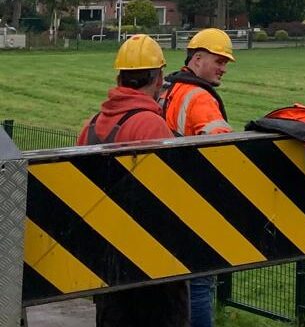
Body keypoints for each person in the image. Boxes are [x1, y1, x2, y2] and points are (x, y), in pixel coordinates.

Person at [78, 34, 189, 326]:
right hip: (151, 269)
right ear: (158, 77)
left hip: (106, 261)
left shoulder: (90, 126)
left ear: (119, 77)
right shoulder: (150, 124)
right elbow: (171, 196)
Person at [159, 28, 235, 327]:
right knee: (201, 283)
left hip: (164, 196)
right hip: (196, 201)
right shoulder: (201, 98)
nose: (223, 68)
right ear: (198, 58)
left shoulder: (167, 88)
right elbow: (224, 151)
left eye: (226, 62)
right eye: (219, 61)